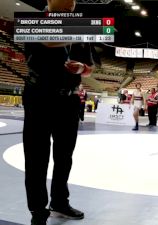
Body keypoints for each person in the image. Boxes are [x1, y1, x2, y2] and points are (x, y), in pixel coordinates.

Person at [22, 0, 94, 225]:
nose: (70, 7)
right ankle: (38, 211)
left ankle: (59, 202)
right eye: (64, 5)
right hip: (39, 96)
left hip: (69, 99)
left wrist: (81, 68)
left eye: (72, 5)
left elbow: (89, 67)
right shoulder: (33, 22)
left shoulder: (78, 26)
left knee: (64, 157)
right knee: (36, 156)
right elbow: (50, 41)